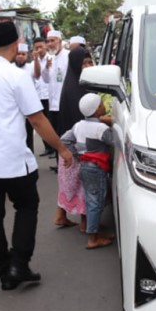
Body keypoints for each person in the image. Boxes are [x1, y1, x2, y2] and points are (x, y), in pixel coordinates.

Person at [0, 21, 72, 290]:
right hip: (11, 158)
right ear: (16, 45)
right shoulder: (16, 76)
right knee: (26, 206)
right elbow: (36, 119)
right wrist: (61, 148)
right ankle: (19, 264)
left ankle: (3, 271)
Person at [61, 93, 115, 249]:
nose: (104, 105)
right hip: (97, 168)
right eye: (101, 104)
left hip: (84, 166)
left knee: (92, 198)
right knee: (96, 202)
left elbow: (64, 139)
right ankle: (92, 238)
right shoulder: (101, 128)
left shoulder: (78, 125)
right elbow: (115, 141)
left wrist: (76, 154)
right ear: (97, 109)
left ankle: (95, 232)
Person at [54, 47, 95, 229]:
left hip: (68, 145)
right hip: (76, 147)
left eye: (89, 62)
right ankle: (86, 225)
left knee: (68, 182)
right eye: (83, 63)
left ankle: (60, 216)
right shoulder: (77, 88)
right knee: (83, 183)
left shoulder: (76, 83)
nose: (87, 66)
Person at [41, 30, 69, 165]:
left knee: (65, 137)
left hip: (64, 104)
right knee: (56, 137)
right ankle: (59, 165)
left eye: (53, 40)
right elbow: (46, 80)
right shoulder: (50, 58)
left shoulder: (68, 56)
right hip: (53, 104)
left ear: (60, 40)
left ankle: (65, 165)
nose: (50, 44)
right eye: (48, 41)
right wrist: (46, 68)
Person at [30, 37, 54, 156]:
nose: (39, 49)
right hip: (38, 97)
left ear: (45, 46)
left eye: (41, 47)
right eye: (36, 48)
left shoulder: (52, 59)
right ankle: (47, 147)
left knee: (52, 122)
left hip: (50, 96)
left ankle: (54, 147)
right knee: (42, 123)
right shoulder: (33, 62)